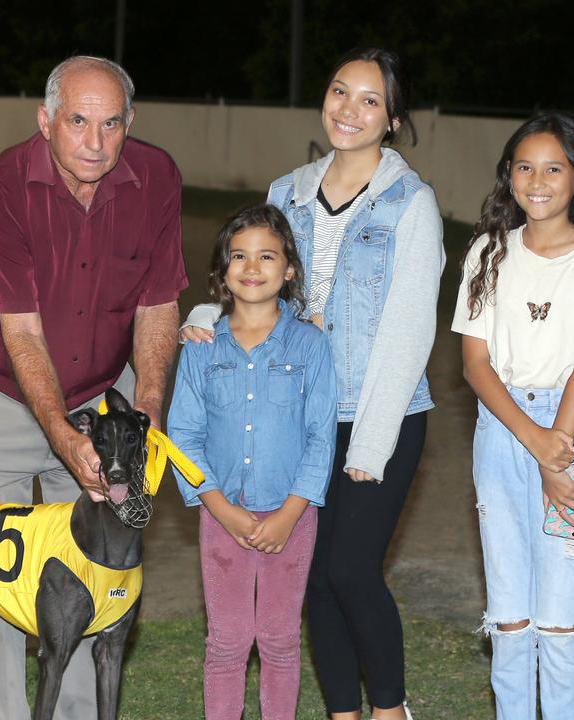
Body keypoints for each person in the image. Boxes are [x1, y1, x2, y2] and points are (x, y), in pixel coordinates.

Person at [182, 47, 443, 720]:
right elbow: (261, 282)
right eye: (338, 91)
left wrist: (369, 446)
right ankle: (341, 713)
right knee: (316, 582)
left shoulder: (411, 204)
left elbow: (411, 332)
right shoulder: (286, 191)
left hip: (378, 414)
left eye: (369, 100)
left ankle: (388, 710)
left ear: (392, 119)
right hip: (301, 415)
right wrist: (209, 315)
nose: (348, 110)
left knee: (351, 571)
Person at [0, 55, 186, 720]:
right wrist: (61, 434)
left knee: (94, 569)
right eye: (78, 121)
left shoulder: (157, 178)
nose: (96, 143)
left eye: (111, 124)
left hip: (106, 391)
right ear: (46, 120)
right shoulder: (3, 187)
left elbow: (159, 306)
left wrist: (149, 410)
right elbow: (21, 334)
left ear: (130, 124)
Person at [452, 113, 574, 719]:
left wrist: (557, 449)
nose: (537, 180)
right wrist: (535, 443)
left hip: (572, 431)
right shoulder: (487, 253)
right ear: (508, 177)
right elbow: (476, 363)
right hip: (504, 433)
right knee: (510, 614)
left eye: (554, 167)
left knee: (558, 616)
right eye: (524, 167)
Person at [168, 204, 336, 719]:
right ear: (221, 271)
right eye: (238, 256)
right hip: (222, 515)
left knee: (281, 640)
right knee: (227, 640)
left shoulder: (310, 345)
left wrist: (288, 514)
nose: (252, 266)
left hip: (293, 514)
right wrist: (221, 508)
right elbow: (183, 435)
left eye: (267, 256)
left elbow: (321, 437)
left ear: (289, 270)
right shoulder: (201, 348)